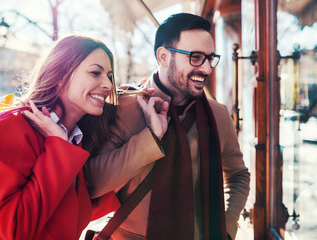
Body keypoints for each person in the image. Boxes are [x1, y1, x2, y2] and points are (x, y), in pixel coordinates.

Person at [86, 13, 250, 240]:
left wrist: (226, 228)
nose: (206, 69)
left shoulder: (218, 115)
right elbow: (93, 183)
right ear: (163, 57)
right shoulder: (123, 108)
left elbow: (238, 175)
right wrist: (151, 137)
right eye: (195, 57)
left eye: (210, 58)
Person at [0, 34, 120, 240]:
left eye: (109, 76)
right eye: (95, 73)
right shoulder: (12, 127)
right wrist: (58, 147)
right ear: (59, 76)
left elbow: (65, 215)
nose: (108, 85)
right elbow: (14, 229)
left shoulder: (74, 138)